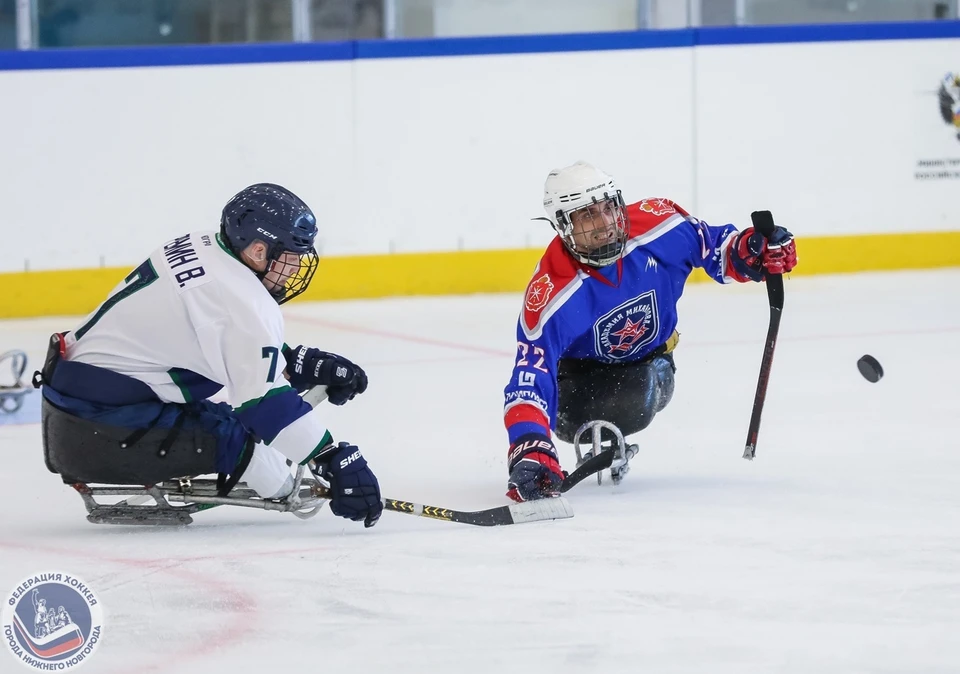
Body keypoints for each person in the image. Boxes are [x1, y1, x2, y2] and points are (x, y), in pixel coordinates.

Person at [36, 183, 382, 527]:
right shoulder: (242, 305)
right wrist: (331, 458)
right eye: (292, 256)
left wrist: (299, 362)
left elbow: (219, 335)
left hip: (80, 390)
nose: (296, 268)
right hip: (101, 421)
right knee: (274, 476)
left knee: (249, 437)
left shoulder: (203, 246)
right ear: (259, 251)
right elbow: (262, 402)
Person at [502, 161, 798, 502]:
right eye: (587, 217)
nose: (604, 225)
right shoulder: (552, 291)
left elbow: (716, 248)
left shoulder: (660, 225)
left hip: (652, 370)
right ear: (563, 226)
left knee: (635, 392)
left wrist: (753, 251)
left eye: (608, 208)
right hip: (575, 392)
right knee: (600, 399)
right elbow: (529, 376)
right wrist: (530, 446)